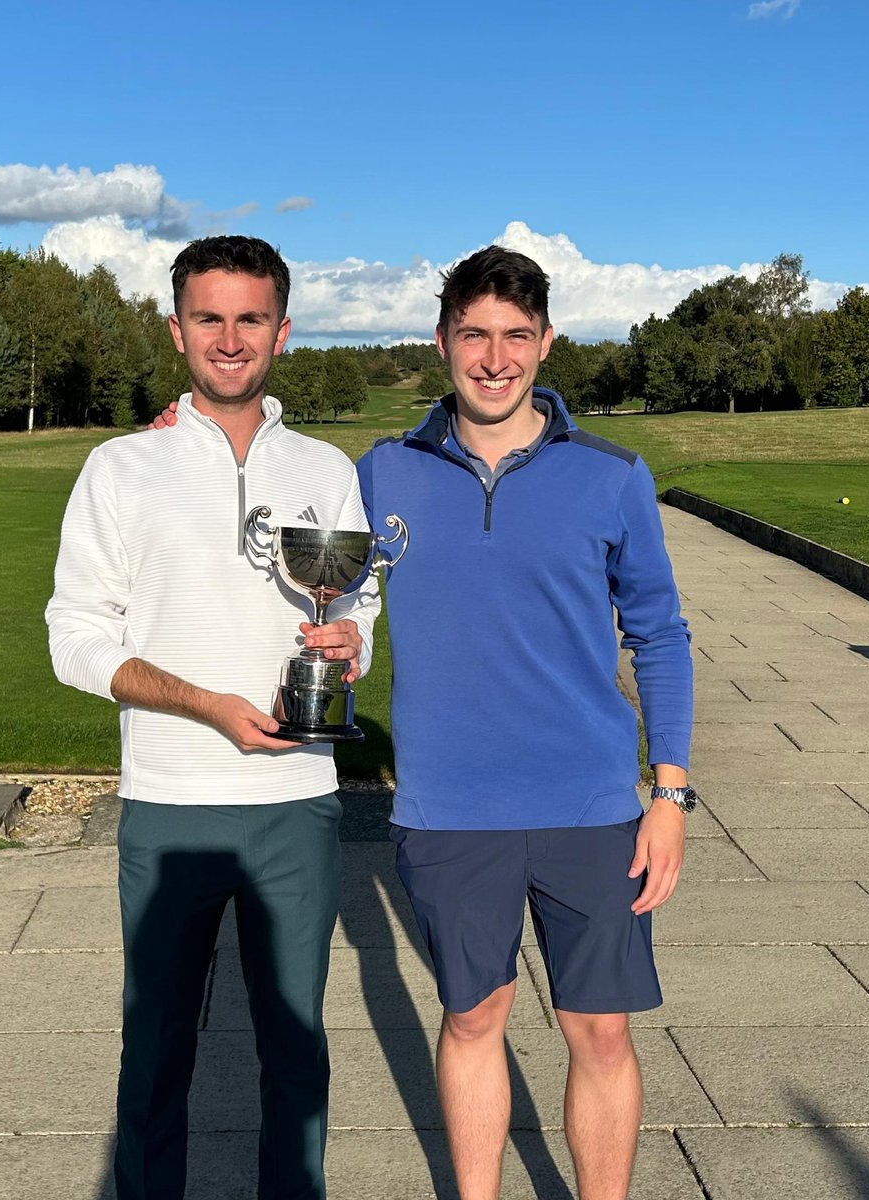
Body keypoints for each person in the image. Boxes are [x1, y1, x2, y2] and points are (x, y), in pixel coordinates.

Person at [154, 244, 695, 1200]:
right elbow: (309, 545)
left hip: (591, 803)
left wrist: (672, 793)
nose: (494, 358)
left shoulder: (612, 476)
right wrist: (184, 422)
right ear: (442, 339)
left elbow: (659, 636)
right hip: (449, 809)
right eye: (474, 334)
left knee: (600, 1030)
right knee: (474, 1019)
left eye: (515, 336)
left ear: (545, 342)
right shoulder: (383, 472)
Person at [46, 234, 380, 1200]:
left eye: (250, 318)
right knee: (152, 1059)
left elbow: (355, 600)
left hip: (296, 800)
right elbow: (74, 638)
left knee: (296, 1053)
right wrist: (204, 705)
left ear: (282, 329)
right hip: (170, 801)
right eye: (208, 317)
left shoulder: (322, 468)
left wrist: (350, 639)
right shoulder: (121, 467)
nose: (229, 339)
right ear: (176, 326)